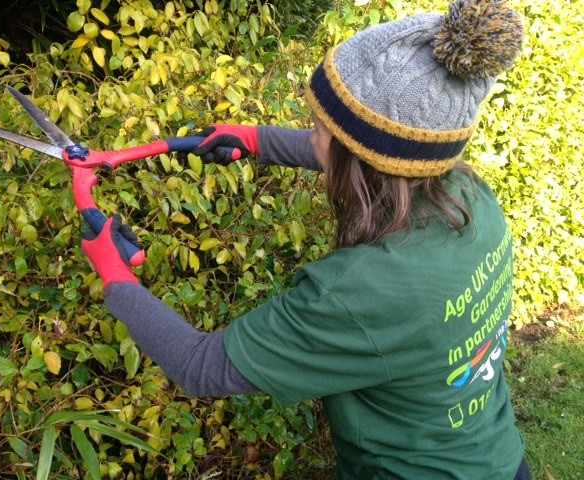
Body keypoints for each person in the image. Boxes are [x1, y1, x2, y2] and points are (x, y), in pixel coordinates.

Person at [81, 0, 531, 478]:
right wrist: (254, 139)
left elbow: (200, 367)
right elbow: (367, 158)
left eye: (318, 129)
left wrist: (115, 277)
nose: (312, 139)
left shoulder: (360, 292)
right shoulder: (469, 197)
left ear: (357, 151)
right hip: (498, 459)